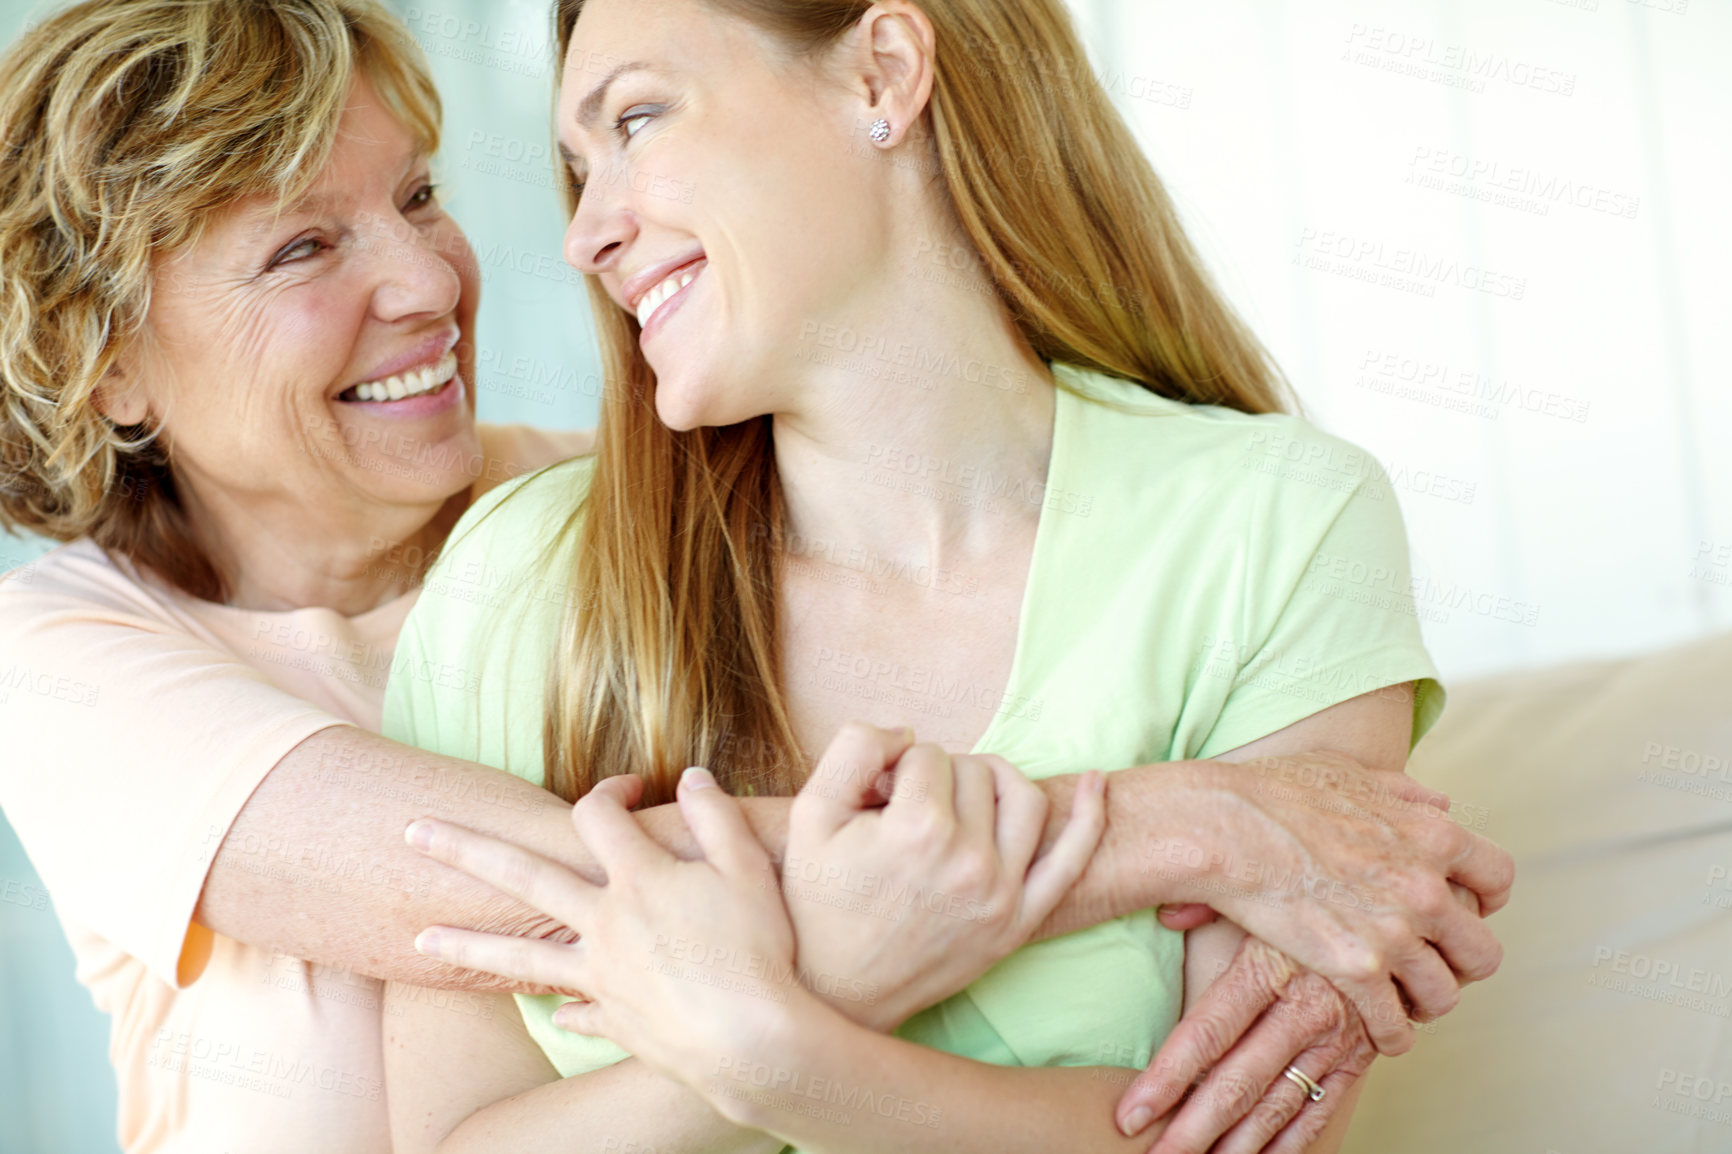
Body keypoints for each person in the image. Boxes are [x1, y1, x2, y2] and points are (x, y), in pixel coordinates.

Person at [0, 3, 1507, 1151]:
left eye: (419, 197)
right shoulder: (64, 656)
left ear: (883, 73)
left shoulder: (558, 520)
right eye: (301, 249)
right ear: (110, 369)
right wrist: (1218, 824)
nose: (433, 279)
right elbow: (526, 890)